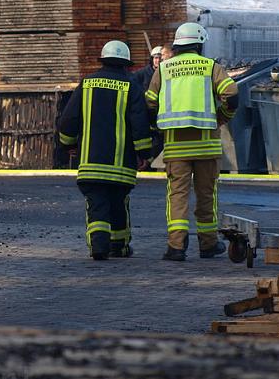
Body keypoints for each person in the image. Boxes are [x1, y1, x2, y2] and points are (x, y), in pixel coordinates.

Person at [145, 23, 239, 262]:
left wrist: (158, 127)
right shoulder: (210, 67)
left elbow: (150, 102)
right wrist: (221, 118)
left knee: (177, 196)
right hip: (207, 146)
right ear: (199, 44)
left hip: (176, 146)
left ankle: (176, 247)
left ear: (178, 45)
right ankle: (208, 245)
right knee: (206, 195)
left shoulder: (164, 69)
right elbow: (232, 94)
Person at [57, 40, 153, 260]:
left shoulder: (87, 83)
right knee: (118, 204)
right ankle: (118, 246)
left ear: (103, 60)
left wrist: (68, 144)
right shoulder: (132, 86)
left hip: (91, 164)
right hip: (121, 166)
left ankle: (99, 247)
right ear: (126, 64)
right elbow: (139, 124)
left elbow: (68, 119)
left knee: (97, 206)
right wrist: (144, 153)